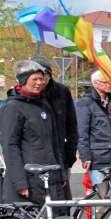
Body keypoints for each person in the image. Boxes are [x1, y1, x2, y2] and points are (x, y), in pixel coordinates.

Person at [0, 60, 66, 204]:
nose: (39, 83)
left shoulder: (44, 104)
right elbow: (10, 147)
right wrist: (20, 183)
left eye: (41, 79)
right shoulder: (13, 107)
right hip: (30, 181)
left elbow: (55, 143)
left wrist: (62, 174)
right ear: (23, 81)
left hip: (51, 178)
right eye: (34, 79)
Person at [31, 56, 77, 197]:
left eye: (45, 76)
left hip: (60, 156)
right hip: (35, 157)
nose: (42, 81)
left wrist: (69, 157)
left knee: (62, 197)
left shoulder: (62, 92)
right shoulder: (27, 95)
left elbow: (72, 126)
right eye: (37, 77)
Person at [75, 70, 111, 191]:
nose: (109, 85)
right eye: (105, 82)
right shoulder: (85, 103)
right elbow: (82, 133)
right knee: (102, 198)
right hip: (98, 159)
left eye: (109, 82)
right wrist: (85, 156)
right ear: (95, 84)